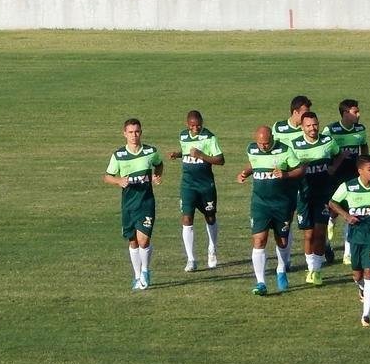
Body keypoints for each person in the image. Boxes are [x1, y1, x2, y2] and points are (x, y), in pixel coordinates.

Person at [237, 126, 303, 295]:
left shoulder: (285, 150)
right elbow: (255, 163)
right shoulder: (252, 149)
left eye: (266, 143)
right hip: (260, 204)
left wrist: (286, 175)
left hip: (281, 203)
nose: (263, 147)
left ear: (272, 138)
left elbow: (300, 169)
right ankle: (261, 283)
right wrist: (245, 173)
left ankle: (281, 269)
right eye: (260, 144)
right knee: (259, 240)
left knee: (282, 241)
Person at [329, 155, 370, 327]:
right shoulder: (349, 187)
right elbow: (333, 203)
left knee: (369, 273)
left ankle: (367, 315)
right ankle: (360, 286)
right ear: (360, 171)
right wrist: (347, 216)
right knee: (357, 274)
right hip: (356, 234)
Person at [103, 118, 164, 290]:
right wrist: (118, 181)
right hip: (128, 204)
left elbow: (159, 164)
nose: (134, 135)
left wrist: (158, 176)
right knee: (133, 242)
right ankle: (137, 275)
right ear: (124, 134)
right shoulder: (119, 156)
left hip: (146, 202)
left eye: (137, 131)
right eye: (130, 132)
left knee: (143, 240)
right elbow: (107, 176)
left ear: (141, 133)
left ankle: (145, 271)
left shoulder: (151, 152)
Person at [167, 110, 224, 272]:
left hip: (206, 185)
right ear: (187, 124)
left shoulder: (209, 137)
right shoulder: (183, 136)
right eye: (192, 125)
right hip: (188, 184)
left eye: (198, 125)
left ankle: (212, 248)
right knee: (186, 218)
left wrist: (200, 155)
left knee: (210, 217)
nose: (195, 128)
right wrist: (178, 154)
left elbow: (220, 160)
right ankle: (191, 259)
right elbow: (186, 152)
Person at [290, 111, 339, 286]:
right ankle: (310, 266)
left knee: (319, 232)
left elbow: (338, 154)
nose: (313, 128)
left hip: (323, 195)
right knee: (308, 234)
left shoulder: (327, 141)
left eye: (315, 124)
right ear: (302, 127)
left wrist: (333, 167)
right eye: (309, 125)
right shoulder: (295, 145)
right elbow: (289, 166)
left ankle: (316, 271)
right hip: (304, 195)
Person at [271, 95, 312, 273]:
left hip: (304, 178)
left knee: (310, 217)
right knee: (285, 219)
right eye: (305, 112)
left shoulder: (307, 128)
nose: (308, 117)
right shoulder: (278, 128)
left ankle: (320, 247)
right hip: (285, 180)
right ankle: (285, 261)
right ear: (295, 112)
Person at [328, 99, 369, 265]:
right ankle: (330, 223)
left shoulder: (360, 129)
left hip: (353, 175)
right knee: (333, 209)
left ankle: (348, 253)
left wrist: (364, 163)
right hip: (335, 175)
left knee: (351, 212)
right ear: (345, 113)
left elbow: (364, 147)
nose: (358, 115)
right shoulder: (331, 130)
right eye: (355, 112)